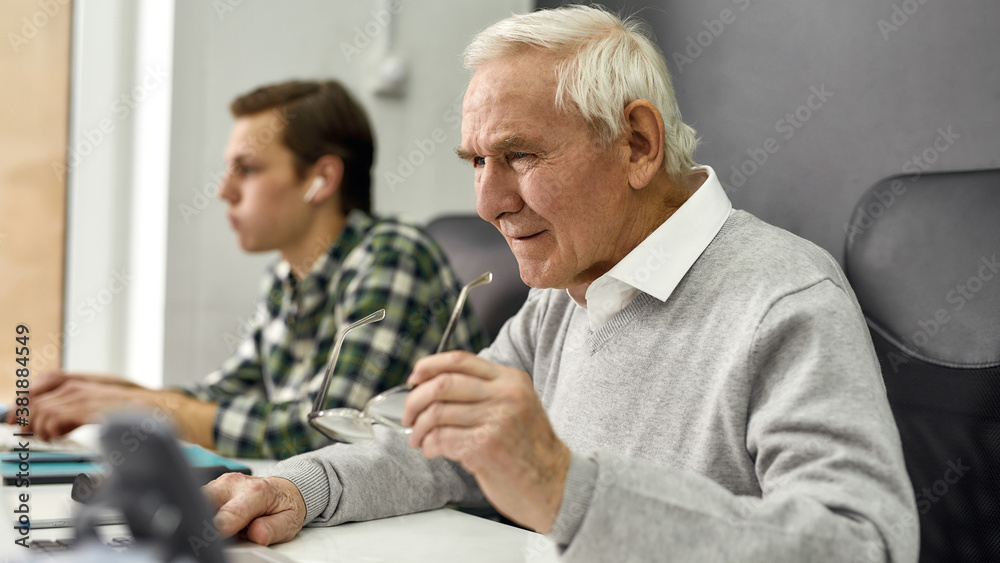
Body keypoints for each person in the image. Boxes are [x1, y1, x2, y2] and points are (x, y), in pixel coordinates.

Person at [202, 7, 919, 561]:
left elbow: (864, 544)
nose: (488, 202)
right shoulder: (561, 295)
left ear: (637, 144)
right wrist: (295, 488)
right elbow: (438, 441)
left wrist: (569, 490)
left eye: (518, 154)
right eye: (476, 161)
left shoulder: (785, 301)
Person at [11, 80, 488, 459]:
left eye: (247, 168)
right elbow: (224, 395)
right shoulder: (288, 276)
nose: (224, 191)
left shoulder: (393, 255)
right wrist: (103, 393)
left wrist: (149, 407)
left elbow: (330, 430)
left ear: (321, 179)